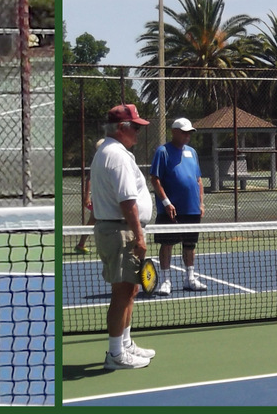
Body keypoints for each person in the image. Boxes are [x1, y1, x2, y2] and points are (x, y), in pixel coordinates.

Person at [89, 103, 156, 370]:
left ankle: (125, 344)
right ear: (121, 128)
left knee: (131, 289)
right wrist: (138, 236)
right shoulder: (116, 155)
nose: (139, 133)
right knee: (122, 293)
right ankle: (115, 354)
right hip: (121, 232)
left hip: (121, 230)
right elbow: (128, 201)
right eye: (135, 127)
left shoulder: (111, 151)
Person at [149, 117, 208, 295]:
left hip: (192, 209)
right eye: (184, 132)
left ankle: (190, 279)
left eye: (189, 132)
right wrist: (166, 202)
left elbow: (198, 180)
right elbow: (155, 179)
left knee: (190, 245)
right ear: (174, 132)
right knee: (167, 244)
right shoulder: (162, 152)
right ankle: (166, 281)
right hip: (170, 210)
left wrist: (201, 203)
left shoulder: (192, 152)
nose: (187, 136)